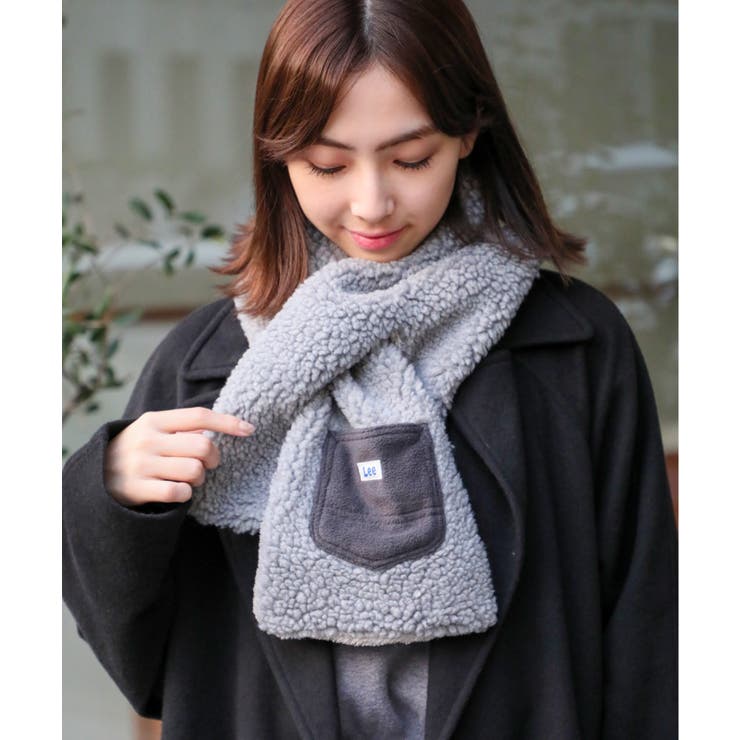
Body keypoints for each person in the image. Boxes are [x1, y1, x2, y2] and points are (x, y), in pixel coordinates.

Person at [62, 1, 678, 738]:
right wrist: (110, 494)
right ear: (279, 156)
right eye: (327, 164)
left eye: (411, 158)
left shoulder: (574, 348)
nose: (371, 203)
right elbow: (147, 670)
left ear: (469, 132)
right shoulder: (207, 369)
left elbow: (647, 639)